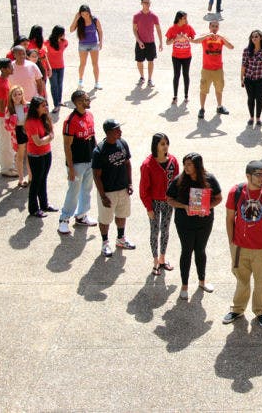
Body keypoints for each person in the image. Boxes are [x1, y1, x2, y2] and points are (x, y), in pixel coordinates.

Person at [223, 161, 262, 328]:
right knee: (241, 280)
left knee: (261, 281)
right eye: (258, 175)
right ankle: (238, 309)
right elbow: (229, 218)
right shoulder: (236, 192)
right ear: (248, 176)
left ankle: (260, 311)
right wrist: (231, 242)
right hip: (240, 247)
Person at [166, 153, 222, 299]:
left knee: (200, 251)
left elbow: (219, 198)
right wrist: (184, 206)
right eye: (185, 164)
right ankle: (184, 286)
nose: (186, 167)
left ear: (197, 165)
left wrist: (207, 207)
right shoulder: (179, 180)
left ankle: (202, 281)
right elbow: (169, 199)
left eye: (189, 164)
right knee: (186, 251)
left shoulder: (209, 178)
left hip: (204, 222)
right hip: (184, 223)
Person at [92, 119, 136, 257]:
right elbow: (96, 176)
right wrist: (103, 196)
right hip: (108, 192)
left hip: (122, 189)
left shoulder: (122, 143)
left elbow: (127, 164)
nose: (120, 132)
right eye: (117, 130)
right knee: (105, 219)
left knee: (122, 215)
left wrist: (129, 183)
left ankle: (121, 239)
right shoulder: (99, 151)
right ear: (109, 132)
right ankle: (105, 243)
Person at [58, 90, 98, 235]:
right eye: (87, 99)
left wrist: (97, 157)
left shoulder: (90, 115)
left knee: (86, 190)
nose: (89, 101)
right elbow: (67, 145)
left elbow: (93, 138)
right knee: (73, 192)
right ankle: (64, 219)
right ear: (79, 103)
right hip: (77, 163)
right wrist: (71, 168)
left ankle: (82, 215)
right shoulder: (70, 121)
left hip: (90, 160)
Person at [139, 133, 179, 275]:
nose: (165, 146)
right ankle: (155, 261)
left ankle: (162, 258)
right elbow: (144, 190)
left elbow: (177, 182)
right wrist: (148, 208)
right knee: (155, 231)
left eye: (166, 143)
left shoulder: (173, 161)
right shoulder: (147, 165)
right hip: (154, 203)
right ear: (155, 145)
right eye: (162, 144)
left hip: (168, 202)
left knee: (165, 230)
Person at [192, 20, 234, 119]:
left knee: (219, 89)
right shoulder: (205, 37)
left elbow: (231, 47)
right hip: (206, 69)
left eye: (216, 26)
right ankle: (202, 109)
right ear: (209, 27)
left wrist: (222, 38)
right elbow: (195, 41)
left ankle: (219, 106)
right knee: (203, 89)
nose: (214, 28)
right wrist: (207, 36)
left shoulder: (221, 38)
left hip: (218, 69)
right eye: (213, 26)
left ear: (218, 28)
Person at [24, 96, 56, 218]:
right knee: (36, 181)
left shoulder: (45, 118)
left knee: (43, 179)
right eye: (43, 106)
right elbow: (38, 142)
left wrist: (46, 139)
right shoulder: (31, 122)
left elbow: (51, 134)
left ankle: (44, 204)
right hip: (36, 155)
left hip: (46, 153)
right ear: (36, 108)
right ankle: (33, 208)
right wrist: (48, 138)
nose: (46, 107)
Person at [70, 5, 104, 91]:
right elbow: (71, 29)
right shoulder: (79, 21)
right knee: (82, 63)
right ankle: (80, 81)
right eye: (83, 14)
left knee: (95, 63)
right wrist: (75, 19)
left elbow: (100, 30)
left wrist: (100, 42)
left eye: (86, 14)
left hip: (93, 44)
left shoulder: (94, 20)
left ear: (89, 13)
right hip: (83, 45)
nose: (85, 16)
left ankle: (97, 82)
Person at [241, 30, 262, 127]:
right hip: (249, 79)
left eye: (256, 36)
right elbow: (243, 65)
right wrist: (241, 78)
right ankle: (251, 117)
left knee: (259, 98)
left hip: (261, 79)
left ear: (261, 38)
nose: (254, 38)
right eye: (252, 37)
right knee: (250, 98)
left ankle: (258, 118)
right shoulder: (246, 50)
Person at [165, 11, 196, 104]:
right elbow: (167, 42)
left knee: (186, 75)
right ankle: (175, 96)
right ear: (179, 19)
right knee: (176, 75)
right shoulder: (172, 29)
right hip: (176, 56)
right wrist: (176, 39)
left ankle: (186, 96)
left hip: (187, 56)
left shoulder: (189, 27)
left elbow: (193, 39)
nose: (186, 20)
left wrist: (187, 38)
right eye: (184, 18)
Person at [133, 0, 164, 87]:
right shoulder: (137, 16)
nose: (147, 4)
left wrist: (161, 42)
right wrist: (139, 41)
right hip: (140, 42)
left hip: (151, 42)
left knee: (151, 61)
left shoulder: (154, 16)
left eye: (149, 2)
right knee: (139, 61)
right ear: (141, 3)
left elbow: (158, 29)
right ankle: (142, 77)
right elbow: (134, 29)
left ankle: (150, 79)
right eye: (145, 2)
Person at [0, 58, 16, 177]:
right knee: (5, 142)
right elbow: (2, 107)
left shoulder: (3, 79)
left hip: (1, 116)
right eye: (10, 67)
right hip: (1, 117)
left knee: (7, 142)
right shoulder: (2, 85)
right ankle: (6, 168)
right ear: (3, 69)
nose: (12, 68)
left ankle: (9, 165)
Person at [4, 86, 31, 187]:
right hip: (18, 131)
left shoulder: (27, 105)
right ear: (11, 96)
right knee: (20, 155)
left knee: (29, 154)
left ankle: (30, 176)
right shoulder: (9, 109)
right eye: (15, 94)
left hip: (27, 130)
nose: (17, 96)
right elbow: (7, 127)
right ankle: (20, 178)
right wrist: (13, 121)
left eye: (19, 94)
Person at [45, 26, 68, 113]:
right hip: (51, 68)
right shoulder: (47, 43)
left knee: (60, 85)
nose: (64, 35)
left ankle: (59, 101)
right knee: (54, 86)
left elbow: (65, 45)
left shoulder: (64, 42)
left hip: (61, 66)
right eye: (63, 33)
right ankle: (56, 104)